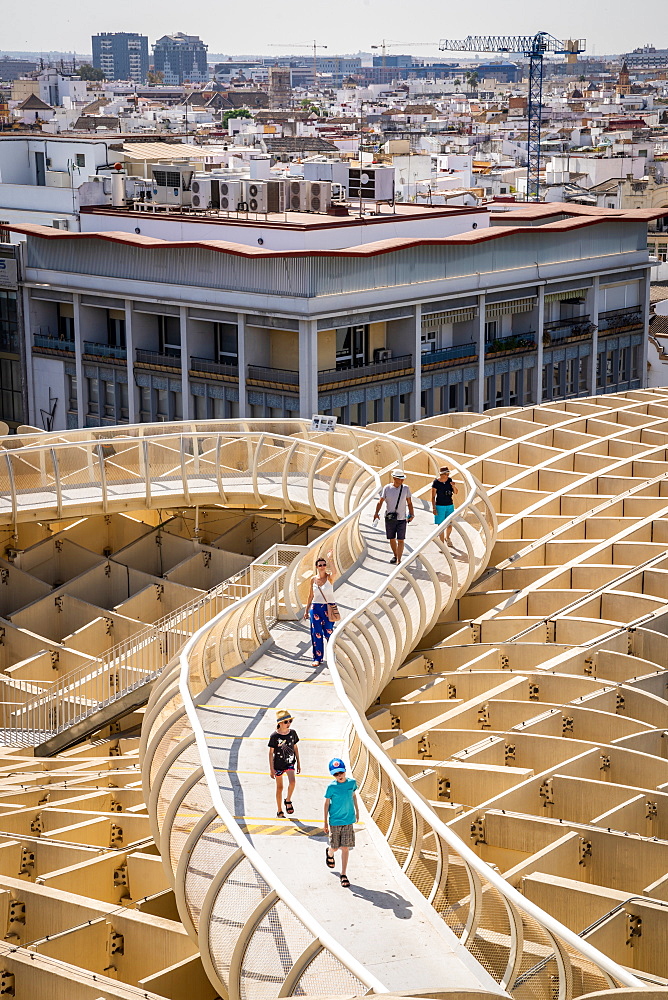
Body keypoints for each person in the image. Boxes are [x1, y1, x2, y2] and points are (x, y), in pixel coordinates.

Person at [323, 758, 359, 888]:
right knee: (336, 847)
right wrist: (325, 822)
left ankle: (343, 874)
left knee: (345, 847)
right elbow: (326, 803)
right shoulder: (331, 787)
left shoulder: (352, 783)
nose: (339, 776)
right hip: (335, 821)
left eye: (341, 773)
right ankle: (329, 852)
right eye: (336, 774)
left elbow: (353, 796)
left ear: (345, 771)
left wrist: (357, 811)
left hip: (348, 820)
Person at [373, 469, 415, 564]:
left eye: (402, 479)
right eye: (400, 479)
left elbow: (409, 502)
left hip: (402, 519)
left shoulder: (405, 488)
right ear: (394, 478)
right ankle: (395, 556)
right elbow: (380, 501)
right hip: (390, 518)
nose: (402, 481)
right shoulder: (387, 488)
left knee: (401, 539)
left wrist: (411, 514)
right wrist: (376, 513)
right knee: (391, 538)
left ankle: (399, 560)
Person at [303, 551, 336, 668]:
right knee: (316, 634)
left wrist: (330, 559)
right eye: (320, 565)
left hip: (328, 608)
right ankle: (317, 658)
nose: (322, 567)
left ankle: (333, 657)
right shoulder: (313, 580)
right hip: (315, 608)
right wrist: (306, 610)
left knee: (329, 632)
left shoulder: (329, 578)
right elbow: (310, 596)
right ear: (316, 567)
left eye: (324, 565)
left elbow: (335, 572)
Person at [268, 708, 300, 818]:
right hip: (278, 765)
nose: (289, 724)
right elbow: (271, 753)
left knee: (292, 782)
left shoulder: (292, 733)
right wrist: (271, 769)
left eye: (290, 721)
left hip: (290, 762)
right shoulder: (274, 736)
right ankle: (279, 810)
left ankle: (288, 800)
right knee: (279, 788)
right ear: (280, 723)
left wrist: (299, 763)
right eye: (286, 722)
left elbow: (295, 747)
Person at [431, 466, 459, 544]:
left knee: (450, 524)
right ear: (443, 474)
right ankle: (442, 542)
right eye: (446, 473)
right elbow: (433, 496)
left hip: (449, 505)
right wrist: (434, 508)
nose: (448, 475)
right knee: (441, 526)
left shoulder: (449, 480)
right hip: (440, 506)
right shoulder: (436, 482)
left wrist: (453, 486)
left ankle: (448, 537)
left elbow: (456, 492)